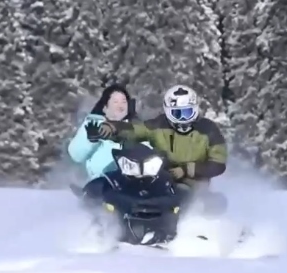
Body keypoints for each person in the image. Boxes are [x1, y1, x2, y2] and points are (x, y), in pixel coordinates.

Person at [85, 85, 229, 214]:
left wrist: (186, 170)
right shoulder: (160, 124)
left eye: (187, 113)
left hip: (192, 182)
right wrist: (112, 128)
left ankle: (183, 226)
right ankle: (107, 212)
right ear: (168, 112)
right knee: (129, 185)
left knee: (184, 197)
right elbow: (136, 130)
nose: (183, 119)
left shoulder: (208, 130)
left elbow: (218, 164)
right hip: (159, 175)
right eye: (177, 114)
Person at [67, 84, 139, 184]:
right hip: (101, 181)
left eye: (124, 102)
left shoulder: (136, 127)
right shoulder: (94, 124)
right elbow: (76, 155)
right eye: (115, 102)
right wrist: (91, 140)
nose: (120, 106)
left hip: (133, 180)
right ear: (105, 107)